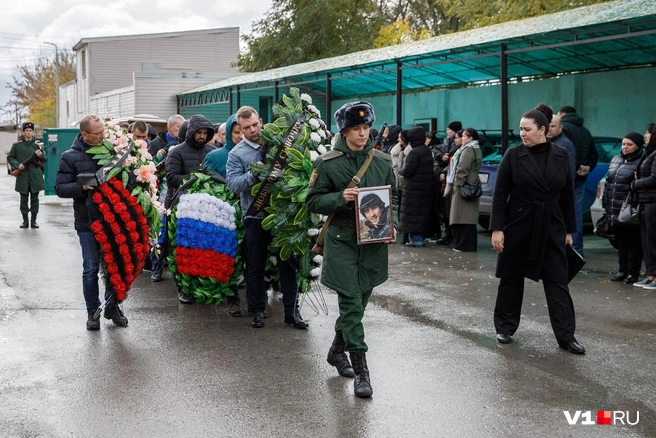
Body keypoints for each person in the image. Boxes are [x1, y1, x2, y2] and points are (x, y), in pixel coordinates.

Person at [306, 100, 398, 398]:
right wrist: (339, 197)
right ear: (344, 131)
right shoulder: (328, 163)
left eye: (366, 127)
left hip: (372, 244)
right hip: (342, 241)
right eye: (356, 129)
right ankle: (362, 372)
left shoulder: (382, 162)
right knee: (351, 303)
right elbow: (312, 200)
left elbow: (391, 198)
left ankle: (336, 350)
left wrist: (391, 224)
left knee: (359, 303)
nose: (362, 133)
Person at [491, 104, 584, 354]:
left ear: (542, 130)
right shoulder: (512, 154)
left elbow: (566, 195)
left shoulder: (560, 154)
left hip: (551, 224)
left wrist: (568, 230)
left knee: (557, 281)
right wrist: (497, 229)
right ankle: (505, 327)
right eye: (520, 129)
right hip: (518, 223)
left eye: (527, 129)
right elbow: (500, 195)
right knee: (511, 278)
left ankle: (566, 336)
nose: (522, 133)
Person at [226, 106, 308, 329]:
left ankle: (292, 312)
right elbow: (233, 185)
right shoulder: (236, 154)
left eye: (255, 124)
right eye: (246, 128)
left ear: (261, 121)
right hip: (255, 214)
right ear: (239, 129)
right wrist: (254, 172)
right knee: (255, 265)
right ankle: (257, 310)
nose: (253, 130)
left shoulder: (280, 144)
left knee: (288, 264)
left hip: (285, 213)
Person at [54, 115, 128, 330]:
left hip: (112, 219)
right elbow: (60, 188)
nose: (103, 136)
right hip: (87, 222)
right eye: (98, 133)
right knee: (91, 268)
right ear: (84, 134)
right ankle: (92, 311)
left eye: (103, 131)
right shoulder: (70, 157)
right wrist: (82, 187)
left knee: (113, 267)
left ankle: (112, 306)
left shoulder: (111, 151)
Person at [165, 115, 217, 303]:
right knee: (182, 249)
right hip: (182, 207)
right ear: (191, 132)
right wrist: (195, 178)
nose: (202, 136)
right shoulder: (176, 152)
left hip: (206, 209)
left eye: (205, 133)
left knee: (204, 248)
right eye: (199, 133)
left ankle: (202, 286)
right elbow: (171, 178)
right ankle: (183, 287)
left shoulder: (212, 151)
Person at [602, 132, 644, 284]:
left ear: (637, 146)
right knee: (620, 243)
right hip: (614, 208)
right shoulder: (616, 159)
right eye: (623, 144)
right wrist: (606, 204)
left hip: (629, 209)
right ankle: (622, 271)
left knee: (633, 243)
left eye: (629, 144)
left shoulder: (641, 161)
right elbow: (608, 183)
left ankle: (633, 273)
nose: (625, 147)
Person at [558, 106, 598, 256]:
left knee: (561, 214)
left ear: (562, 114)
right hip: (580, 179)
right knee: (576, 215)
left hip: (565, 179)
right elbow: (594, 155)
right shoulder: (585, 131)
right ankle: (577, 251)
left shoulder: (565, 129)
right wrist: (587, 167)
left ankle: (564, 252)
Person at [446, 128, 482, 252]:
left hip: (464, 186)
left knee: (462, 216)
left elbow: (462, 169)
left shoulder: (468, 149)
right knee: (468, 217)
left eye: (465, 136)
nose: (462, 138)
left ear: (470, 138)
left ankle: (463, 245)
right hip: (472, 184)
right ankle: (467, 244)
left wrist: (457, 184)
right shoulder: (476, 148)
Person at [399, 125, 434, 247]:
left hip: (413, 189)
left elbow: (408, 171)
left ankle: (416, 240)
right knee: (421, 214)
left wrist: (400, 171)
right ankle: (420, 239)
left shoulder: (414, 153)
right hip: (425, 188)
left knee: (412, 214)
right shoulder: (427, 150)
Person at [7, 122, 47, 228]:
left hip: (35, 175)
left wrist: (41, 155)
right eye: (27, 131)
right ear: (23, 132)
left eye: (30, 130)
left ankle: (33, 221)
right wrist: (17, 165)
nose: (28, 132)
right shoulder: (17, 146)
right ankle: (25, 221)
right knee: (23, 199)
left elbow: (45, 159)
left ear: (33, 132)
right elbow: (10, 157)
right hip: (23, 175)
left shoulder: (37, 146)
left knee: (35, 199)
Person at [631, 123, 656, 290]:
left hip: (653, 202)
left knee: (653, 241)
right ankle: (650, 275)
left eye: (647, 133)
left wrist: (635, 184)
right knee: (647, 241)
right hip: (645, 200)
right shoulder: (649, 152)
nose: (645, 136)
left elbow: (654, 178)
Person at [547, 113, 576, 183]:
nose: (549, 129)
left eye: (553, 126)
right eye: (547, 126)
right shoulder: (547, 142)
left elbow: (570, 171)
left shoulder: (565, 145)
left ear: (560, 128)